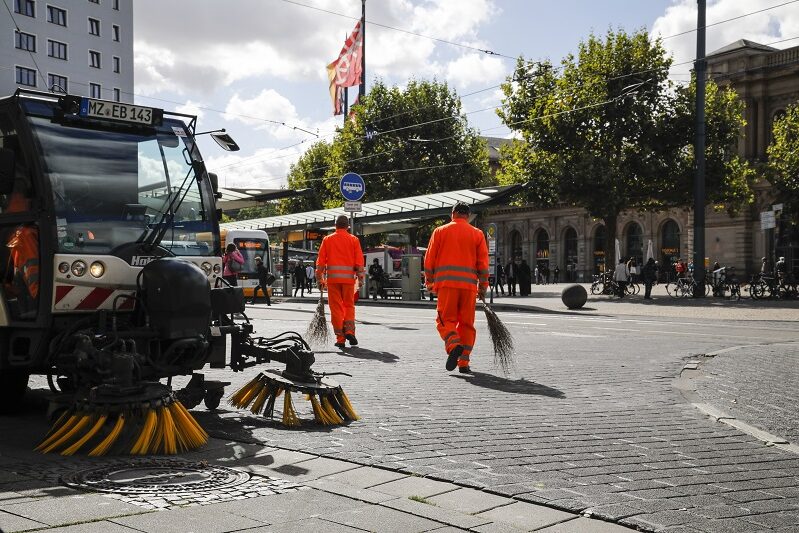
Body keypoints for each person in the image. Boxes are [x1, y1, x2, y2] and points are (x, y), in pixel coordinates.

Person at [424, 202, 489, 374]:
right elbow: (483, 264)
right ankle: (464, 363)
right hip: (469, 287)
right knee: (467, 324)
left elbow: (429, 260)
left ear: (452, 214)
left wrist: (429, 281)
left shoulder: (440, 231)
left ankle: (454, 345)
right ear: (468, 216)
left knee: (445, 320)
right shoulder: (477, 234)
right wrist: (482, 286)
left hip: (446, 285)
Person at [316, 215, 364, 349]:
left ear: (335, 225)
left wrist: (319, 278)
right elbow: (359, 261)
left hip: (332, 280)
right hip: (349, 280)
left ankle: (340, 338)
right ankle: (349, 331)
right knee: (349, 305)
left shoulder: (327, 240)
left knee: (336, 308)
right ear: (348, 226)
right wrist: (360, 278)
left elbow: (320, 262)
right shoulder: (354, 240)